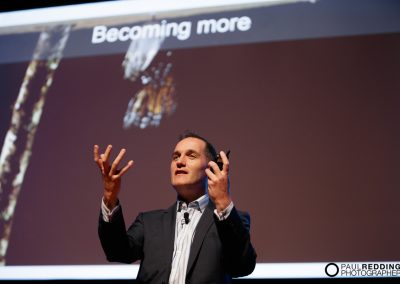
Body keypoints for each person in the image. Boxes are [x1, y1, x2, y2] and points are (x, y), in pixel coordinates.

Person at [95, 131, 256, 284]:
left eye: (191, 155)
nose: (180, 161)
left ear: (212, 168)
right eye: (175, 156)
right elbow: (116, 251)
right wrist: (110, 196)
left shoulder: (231, 219)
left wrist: (223, 202)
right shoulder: (149, 222)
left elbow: (242, 266)